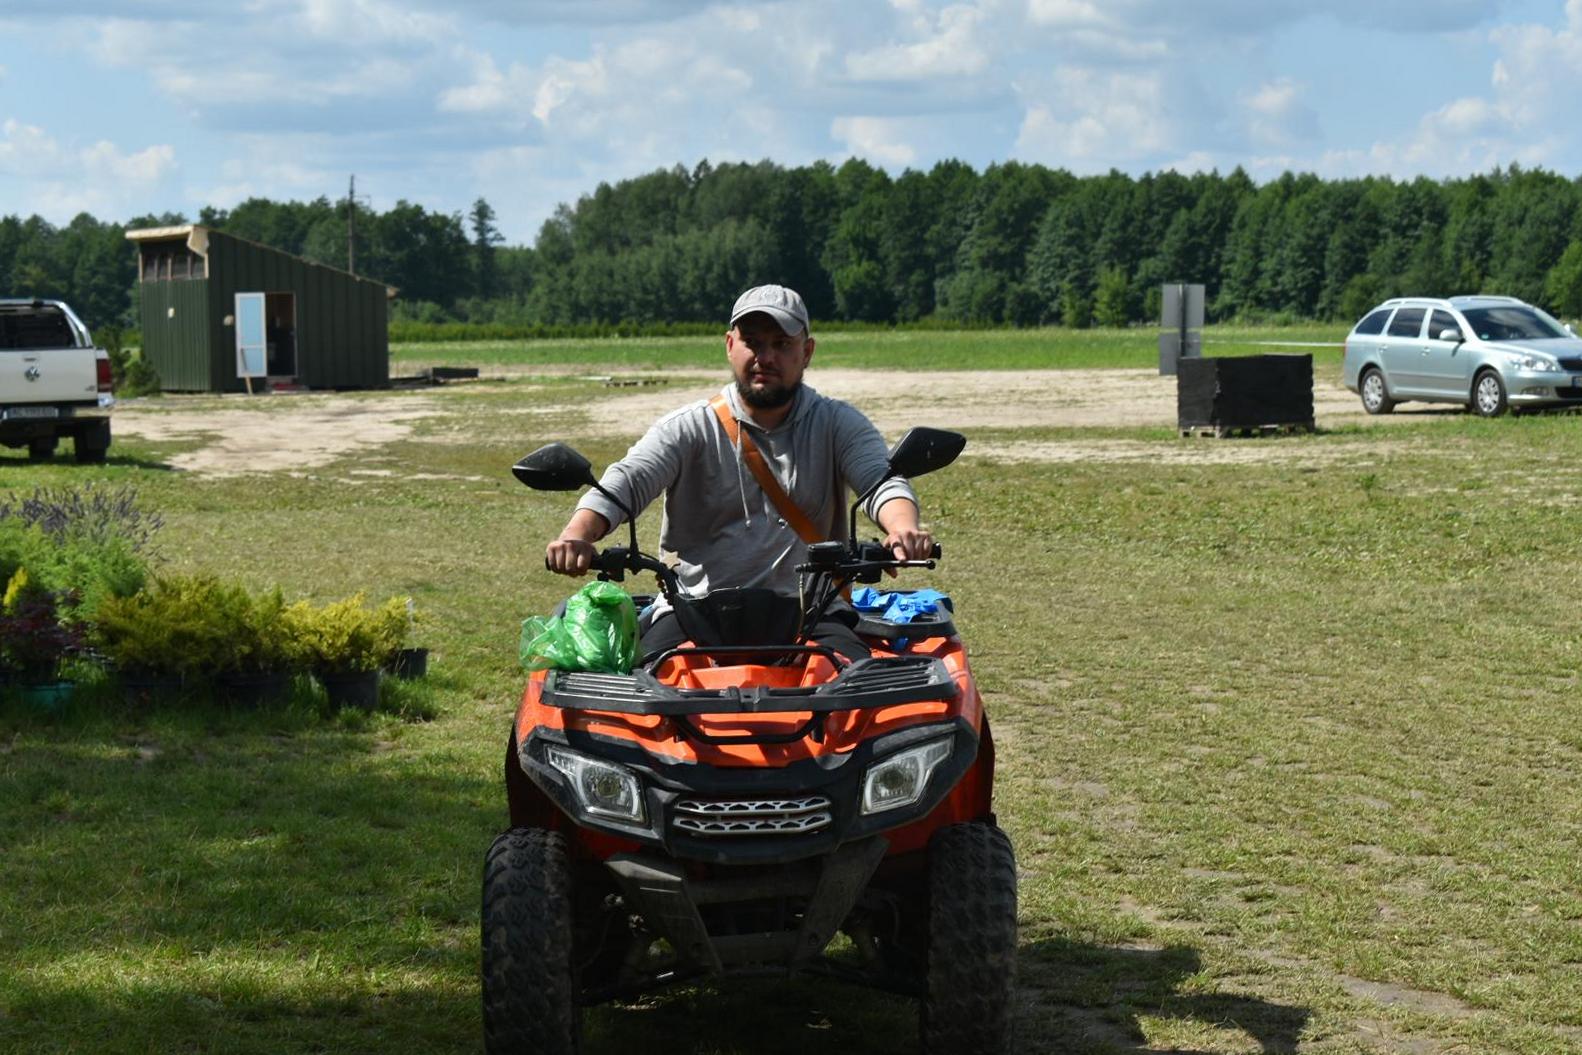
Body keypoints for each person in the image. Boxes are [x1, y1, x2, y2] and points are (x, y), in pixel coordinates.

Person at [545, 283, 935, 660]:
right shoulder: (688, 427)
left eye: (782, 344)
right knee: (641, 693)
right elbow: (628, 481)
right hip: (693, 610)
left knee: (856, 689)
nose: (766, 357)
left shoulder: (837, 424)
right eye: (753, 342)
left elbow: (881, 481)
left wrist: (902, 529)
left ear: (807, 352)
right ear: (730, 346)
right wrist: (577, 535)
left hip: (811, 612)